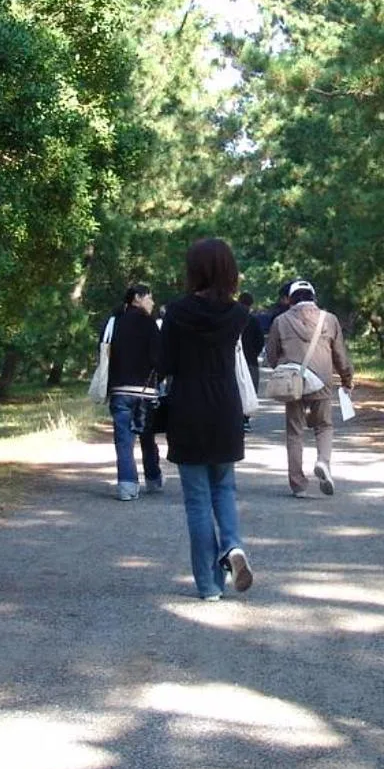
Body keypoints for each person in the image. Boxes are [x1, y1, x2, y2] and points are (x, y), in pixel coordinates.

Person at [156, 237, 254, 601]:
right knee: (224, 488)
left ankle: (209, 585)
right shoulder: (238, 315)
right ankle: (232, 546)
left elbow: (164, 365)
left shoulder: (176, 312)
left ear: (193, 270)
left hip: (188, 407)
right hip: (225, 407)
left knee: (197, 499)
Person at [262, 278, 354, 498]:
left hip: (292, 383)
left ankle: (298, 485)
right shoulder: (329, 320)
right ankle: (323, 461)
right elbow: (340, 355)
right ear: (313, 297)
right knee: (323, 426)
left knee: (295, 432)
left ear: (291, 300)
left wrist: (283, 368)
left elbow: (271, 355)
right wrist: (347, 380)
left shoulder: (280, 321)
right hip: (322, 381)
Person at [100, 282, 163, 501]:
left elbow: (104, 353)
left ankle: (127, 486)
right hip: (145, 391)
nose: (152, 302)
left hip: (120, 389)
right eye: (149, 297)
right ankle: (153, 479)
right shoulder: (150, 324)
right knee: (147, 438)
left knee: (123, 441)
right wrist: (159, 380)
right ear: (137, 297)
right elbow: (159, 359)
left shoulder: (114, 322)